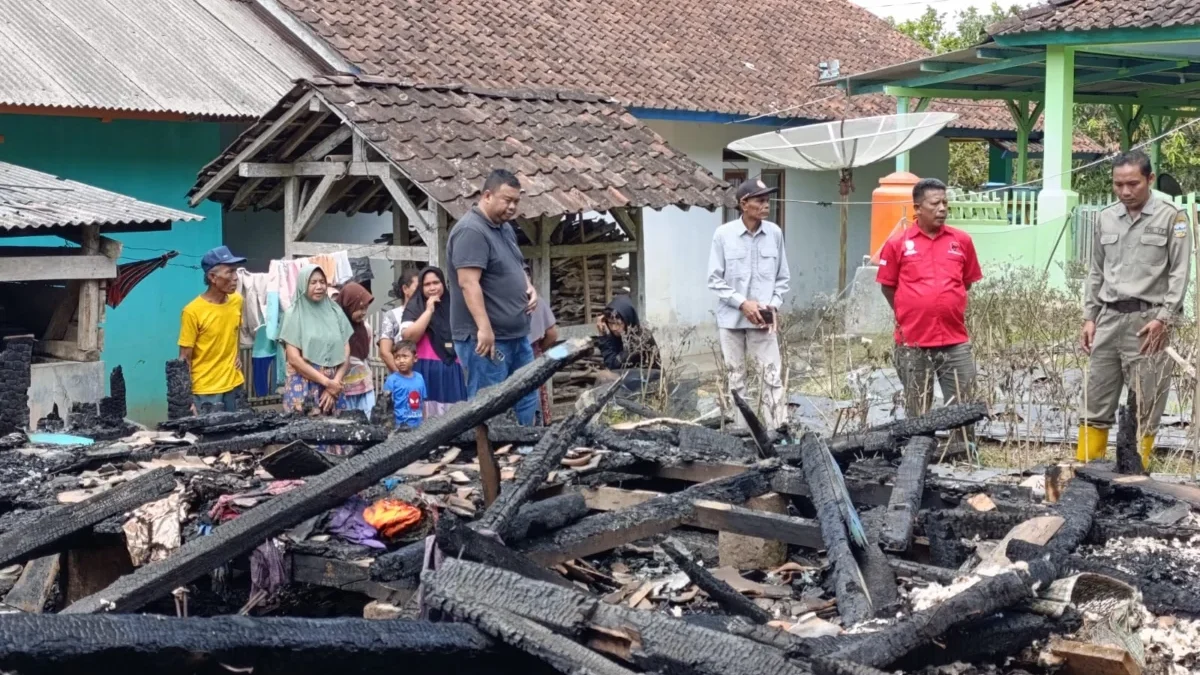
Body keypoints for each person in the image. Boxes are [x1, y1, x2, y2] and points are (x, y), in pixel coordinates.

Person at [1078, 150, 1192, 469]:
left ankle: (1135, 474)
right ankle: (1089, 472)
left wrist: (1164, 318)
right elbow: (1096, 271)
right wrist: (1090, 316)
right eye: (1118, 185)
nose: (1125, 192)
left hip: (1149, 321)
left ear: (1150, 179)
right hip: (1108, 318)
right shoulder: (1106, 217)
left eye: (1133, 184)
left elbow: (1180, 272)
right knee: (1095, 398)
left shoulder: (1172, 218)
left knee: (1146, 400)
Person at [877, 177, 983, 447]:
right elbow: (888, 287)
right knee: (919, 409)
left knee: (963, 403)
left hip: (954, 340)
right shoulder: (898, 243)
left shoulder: (962, 241)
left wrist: (945, 303)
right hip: (913, 341)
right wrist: (910, 310)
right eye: (935, 203)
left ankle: (962, 453)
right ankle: (921, 454)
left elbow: (967, 282)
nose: (942, 209)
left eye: (945, 202)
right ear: (917, 208)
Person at [446, 168, 539, 425]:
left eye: (516, 202)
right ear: (487, 195)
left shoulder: (504, 228)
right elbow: (468, 283)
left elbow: (518, 265)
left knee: (527, 397)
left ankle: (526, 451)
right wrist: (484, 328)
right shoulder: (471, 231)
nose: (512, 207)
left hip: (517, 335)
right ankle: (491, 460)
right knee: (490, 405)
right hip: (487, 340)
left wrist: (529, 286)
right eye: (507, 200)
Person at [707, 177, 791, 430]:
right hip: (731, 320)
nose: (766, 205)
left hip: (763, 320)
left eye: (767, 200)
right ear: (744, 204)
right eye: (760, 200)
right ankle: (744, 431)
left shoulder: (774, 233)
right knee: (736, 377)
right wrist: (742, 303)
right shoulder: (723, 235)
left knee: (771, 376)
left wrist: (772, 306)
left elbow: (782, 277)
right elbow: (714, 279)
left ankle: (778, 429)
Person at [279, 266, 355, 453]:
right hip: (304, 386)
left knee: (337, 434)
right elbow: (294, 359)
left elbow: (346, 349)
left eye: (322, 282)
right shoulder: (293, 314)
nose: (319, 287)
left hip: (334, 384)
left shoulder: (335, 311)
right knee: (307, 441)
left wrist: (334, 383)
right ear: (303, 285)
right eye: (313, 282)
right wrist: (326, 382)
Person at [179, 246, 248, 413]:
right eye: (229, 272)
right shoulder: (192, 311)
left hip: (234, 385)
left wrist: (236, 354)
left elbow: (234, 330)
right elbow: (184, 358)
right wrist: (186, 398)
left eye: (236, 272)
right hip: (205, 391)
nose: (235, 278)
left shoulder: (236, 301)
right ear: (212, 277)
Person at [399, 267, 468, 419]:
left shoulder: (454, 306)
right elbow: (408, 338)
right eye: (427, 284)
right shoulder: (415, 307)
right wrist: (429, 311)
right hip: (423, 372)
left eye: (436, 282)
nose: (432, 288)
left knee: (454, 421)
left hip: (451, 372)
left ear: (443, 283)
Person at [595, 295, 660, 388]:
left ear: (628, 320)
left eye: (618, 323)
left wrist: (603, 336)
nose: (614, 328)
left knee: (605, 377)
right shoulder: (622, 334)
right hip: (632, 377)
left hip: (650, 383)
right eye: (610, 323)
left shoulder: (639, 339)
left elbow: (613, 365)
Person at [334, 282, 376, 416]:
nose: (364, 313)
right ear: (348, 304)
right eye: (360, 308)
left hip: (365, 387)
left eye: (366, 308)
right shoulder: (335, 330)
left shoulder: (366, 328)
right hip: (344, 390)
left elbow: (365, 357)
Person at [526, 266, 558, 425]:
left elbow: (552, 334)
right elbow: (552, 333)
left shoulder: (537, 302)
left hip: (523, 355)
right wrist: (539, 350)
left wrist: (538, 349)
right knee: (533, 396)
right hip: (533, 354)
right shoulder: (538, 301)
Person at [379, 267, 421, 373]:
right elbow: (385, 352)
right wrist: (401, 375)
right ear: (405, 289)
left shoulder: (427, 313)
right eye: (418, 287)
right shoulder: (392, 315)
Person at [383, 341, 427, 430]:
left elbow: (423, 402)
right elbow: (386, 406)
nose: (401, 361)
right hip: (398, 428)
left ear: (415, 358)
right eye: (397, 357)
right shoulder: (392, 380)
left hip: (417, 427)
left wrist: (424, 423)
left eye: (405, 356)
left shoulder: (420, 378)